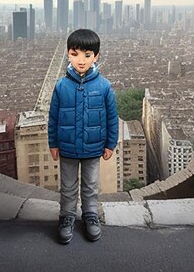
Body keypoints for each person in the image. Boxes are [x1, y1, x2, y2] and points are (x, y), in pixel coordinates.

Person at [48, 29, 119, 244]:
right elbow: (52, 117)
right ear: (68, 54)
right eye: (75, 53)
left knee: (90, 185)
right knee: (68, 186)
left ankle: (90, 215)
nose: (81, 60)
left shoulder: (104, 86)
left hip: (93, 148)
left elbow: (112, 118)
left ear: (96, 56)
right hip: (68, 147)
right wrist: (53, 142)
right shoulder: (61, 86)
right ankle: (67, 216)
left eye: (87, 55)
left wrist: (110, 144)